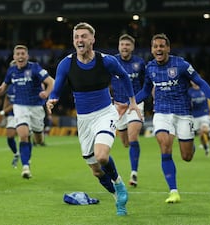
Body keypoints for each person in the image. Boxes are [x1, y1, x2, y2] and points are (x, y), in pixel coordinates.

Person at [117, 33, 210, 203]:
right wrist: (129, 102)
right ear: (152, 49)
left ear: (168, 48)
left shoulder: (181, 65)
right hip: (161, 112)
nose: (159, 49)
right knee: (165, 146)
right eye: (155, 46)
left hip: (183, 113)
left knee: (186, 156)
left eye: (162, 46)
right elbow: (146, 91)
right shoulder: (150, 68)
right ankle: (173, 191)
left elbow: (201, 82)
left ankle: (190, 147)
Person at [46, 22, 141, 216]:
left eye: (83, 36)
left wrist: (132, 101)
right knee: (97, 171)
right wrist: (52, 98)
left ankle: (119, 184)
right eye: (76, 37)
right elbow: (57, 87)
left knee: (102, 155)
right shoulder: (66, 63)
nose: (79, 40)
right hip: (84, 120)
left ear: (92, 39)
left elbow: (124, 76)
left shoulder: (106, 61)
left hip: (105, 113)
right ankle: (117, 197)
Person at [0, 45, 54, 179]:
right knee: (23, 135)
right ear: (14, 57)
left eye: (23, 54)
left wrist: (47, 93)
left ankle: (38, 134)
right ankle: (25, 167)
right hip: (20, 107)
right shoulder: (11, 71)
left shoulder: (35, 68)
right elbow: (3, 88)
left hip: (36, 107)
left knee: (38, 140)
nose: (20, 56)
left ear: (27, 56)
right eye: (18, 54)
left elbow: (51, 82)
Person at [111, 34, 145, 187]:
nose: (125, 47)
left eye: (127, 44)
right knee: (125, 142)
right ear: (119, 46)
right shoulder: (112, 62)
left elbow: (146, 84)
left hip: (135, 104)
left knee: (133, 137)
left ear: (132, 47)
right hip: (118, 106)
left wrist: (136, 101)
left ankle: (134, 173)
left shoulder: (139, 63)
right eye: (122, 44)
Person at [0, 83, 19, 168]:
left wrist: (1, 113)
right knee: (10, 136)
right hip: (12, 114)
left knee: (26, 136)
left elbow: (15, 104)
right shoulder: (10, 87)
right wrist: (3, 113)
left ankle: (27, 161)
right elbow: (7, 98)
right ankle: (16, 154)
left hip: (24, 111)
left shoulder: (22, 85)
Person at [188, 81, 210, 157]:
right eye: (192, 81)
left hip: (204, 113)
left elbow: (209, 99)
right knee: (201, 134)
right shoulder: (189, 91)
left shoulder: (204, 89)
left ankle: (209, 136)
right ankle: (206, 148)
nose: (194, 82)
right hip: (194, 115)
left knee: (203, 130)